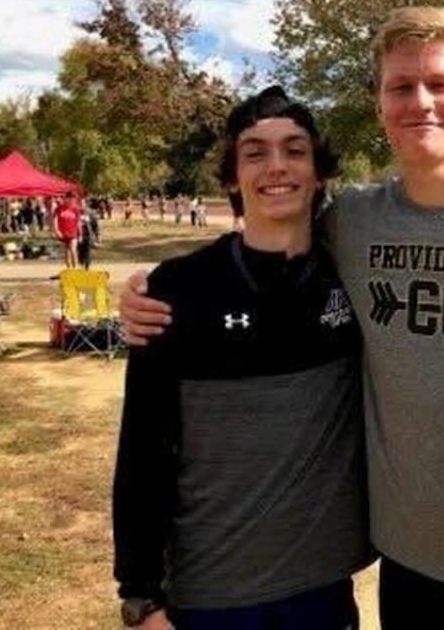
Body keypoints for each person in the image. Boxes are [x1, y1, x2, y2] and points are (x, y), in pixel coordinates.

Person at [120, 7, 444, 629]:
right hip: (406, 570)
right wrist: (152, 289)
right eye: (400, 87)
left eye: (440, 84)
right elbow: (271, 227)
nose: (421, 102)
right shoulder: (353, 223)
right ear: (380, 104)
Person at [113, 87, 372, 630]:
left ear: (319, 171)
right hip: (211, 595)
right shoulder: (176, 290)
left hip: (323, 589)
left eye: (295, 150)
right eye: (255, 152)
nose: (276, 166)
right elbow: (141, 452)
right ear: (232, 177)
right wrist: (139, 597)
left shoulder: (353, 274)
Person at [52, 192, 81, 269]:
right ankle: (68, 268)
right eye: (71, 198)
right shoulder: (59, 209)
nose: (72, 200)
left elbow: (78, 222)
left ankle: (75, 268)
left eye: (74, 199)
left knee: (73, 250)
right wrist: (56, 231)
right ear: (66, 198)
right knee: (66, 252)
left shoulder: (75, 209)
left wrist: (80, 234)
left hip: (73, 233)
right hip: (63, 233)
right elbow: (55, 220)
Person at [77, 201, 100, 270]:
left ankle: (87, 267)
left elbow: (95, 225)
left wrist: (97, 236)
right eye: (79, 204)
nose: (81, 205)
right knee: (80, 251)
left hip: (88, 234)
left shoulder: (91, 212)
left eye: (82, 204)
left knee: (88, 251)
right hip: (78, 235)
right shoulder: (76, 212)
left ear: (86, 204)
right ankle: (81, 265)